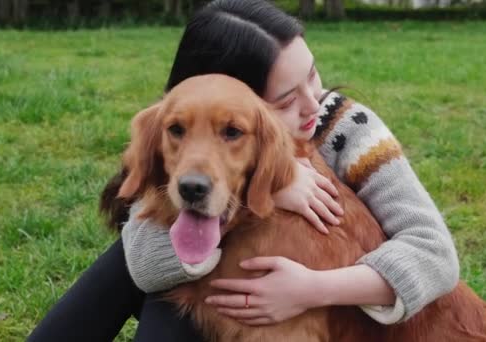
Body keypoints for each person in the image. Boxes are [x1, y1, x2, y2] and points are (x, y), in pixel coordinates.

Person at [29, 0, 459, 340]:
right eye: (287, 99)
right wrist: (273, 189)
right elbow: (139, 262)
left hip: (355, 303)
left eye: (312, 76)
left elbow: (434, 253)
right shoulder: (193, 126)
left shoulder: (346, 126)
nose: (314, 103)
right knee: (170, 282)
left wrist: (313, 287)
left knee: (188, 288)